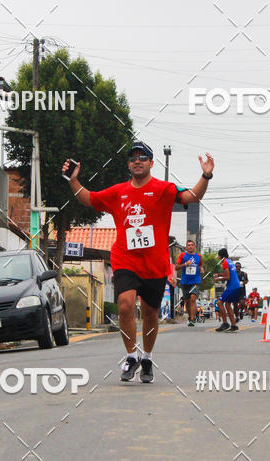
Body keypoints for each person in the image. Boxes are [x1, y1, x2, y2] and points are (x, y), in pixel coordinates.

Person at [62, 142, 214, 383]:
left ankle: (148, 358)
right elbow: (89, 199)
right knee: (125, 304)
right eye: (133, 158)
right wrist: (72, 180)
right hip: (125, 259)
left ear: (151, 163)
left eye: (143, 157)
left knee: (150, 313)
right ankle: (131, 356)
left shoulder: (163, 189)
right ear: (128, 165)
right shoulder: (118, 192)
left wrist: (206, 175)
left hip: (153, 264)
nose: (137, 161)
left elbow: (192, 197)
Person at [213, 248, 241, 332]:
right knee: (228, 305)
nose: (218, 257)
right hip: (236, 286)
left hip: (232, 287)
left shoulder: (224, 262)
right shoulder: (230, 261)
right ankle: (233, 325)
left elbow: (228, 277)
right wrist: (219, 274)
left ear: (221, 256)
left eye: (218, 255)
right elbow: (229, 274)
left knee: (219, 303)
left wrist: (218, 278)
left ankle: (225, 323)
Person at [176, 239, 202, 326]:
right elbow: (176, 267)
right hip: (185, 281)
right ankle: (190, 316)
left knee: (193, 298)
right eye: (189, 245)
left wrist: (202, 269)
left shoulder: (198, 256)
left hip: (195, 281)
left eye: (192, 245)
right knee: (187, 301)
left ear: (194, 247)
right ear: (186, 247)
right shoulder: (182, 255)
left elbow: (200, 265)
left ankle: (192, 319)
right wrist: (185, 264)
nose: (190, 246)